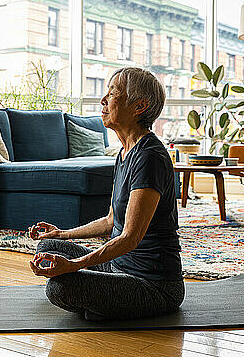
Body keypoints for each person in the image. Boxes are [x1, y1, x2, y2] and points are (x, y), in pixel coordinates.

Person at [28, 67, 184, 321]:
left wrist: (75, 266)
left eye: (113, 93)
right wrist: (62, 233)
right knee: (48, 247)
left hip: (154, 285)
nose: (103, 100)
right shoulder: (125, 153)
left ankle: (105, 304)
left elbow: (130, 238)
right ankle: (103, 304)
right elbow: (111, 222)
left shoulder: (150, 157)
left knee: (60, 287)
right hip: (117, 268)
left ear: (139, 106)